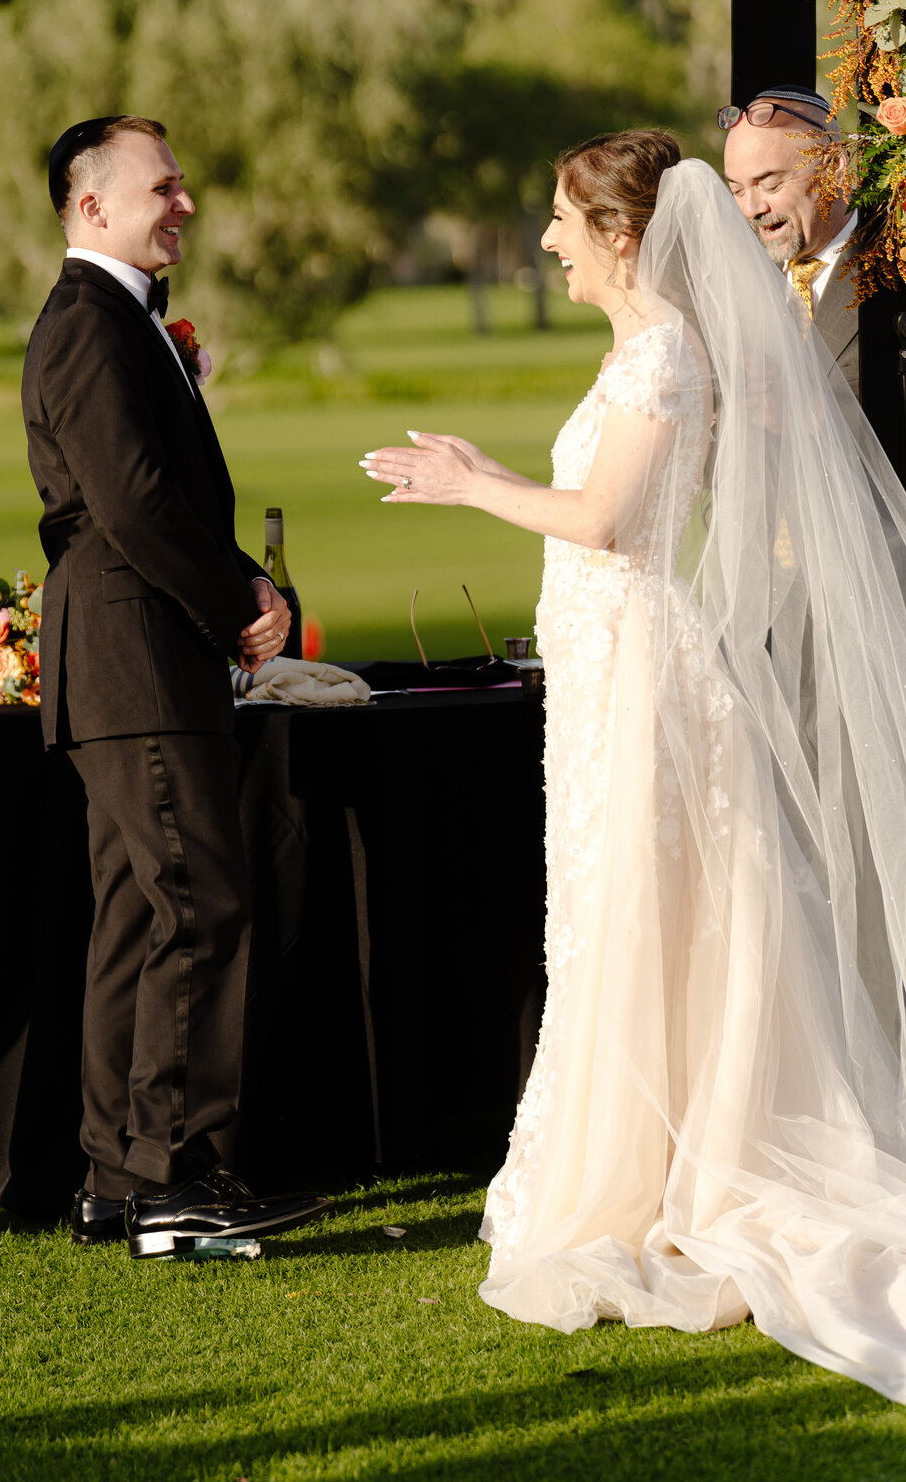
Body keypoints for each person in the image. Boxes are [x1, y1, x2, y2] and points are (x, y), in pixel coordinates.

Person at [360, 131, 906, 1401]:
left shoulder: (664, 352)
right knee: (627, 917)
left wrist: (469, 485)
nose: (547, 242)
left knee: (644, 916)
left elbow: (608, 523)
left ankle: (665, 1175)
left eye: (561, 219)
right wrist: (492, 474)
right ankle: (641, 1161)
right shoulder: (646, 347)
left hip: (648, 678)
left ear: (620, 233)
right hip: (616, 673)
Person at [22, 115, 329, 1258]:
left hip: (131, 656)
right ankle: (176, 1176)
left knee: (141, 915)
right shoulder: (89, 326)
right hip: (138, 657)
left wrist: (237, 578)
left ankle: (116, 1171)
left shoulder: (117, 321)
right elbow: (136, 502)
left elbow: (156, 496)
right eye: (165, 187)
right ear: (92, 206)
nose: (184, 203)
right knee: (198, 907)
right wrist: (237, 599)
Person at [721, 84, 860, 397]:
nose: (752, 209)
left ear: (834, 167)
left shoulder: (893, 265)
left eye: (770, 185)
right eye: (737, 190)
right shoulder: (736, 282)